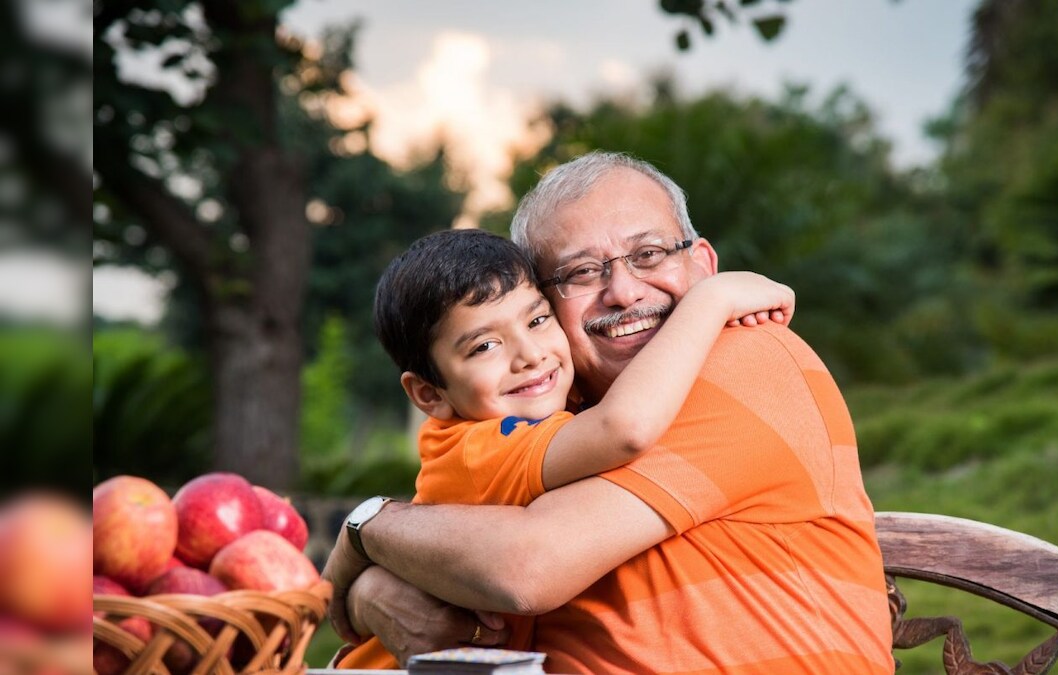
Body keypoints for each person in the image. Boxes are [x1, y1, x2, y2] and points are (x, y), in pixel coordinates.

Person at [324, 151, 894, 674]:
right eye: (580, 273)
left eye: (648, 255)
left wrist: (365, 532)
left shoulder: (744, 355)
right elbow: (462, 554)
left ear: (703, 265)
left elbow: (526, 566)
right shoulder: (541, 415)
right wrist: (372, 585)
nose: (623, 292)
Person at [336, 228, 794, 669]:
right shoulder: (484, 445)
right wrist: (710, 301)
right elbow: (623, 428)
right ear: (429, 395)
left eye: (537, 320)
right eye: (485, 346)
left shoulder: (510, 422)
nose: (530, 354)